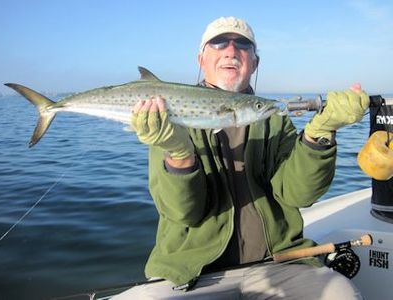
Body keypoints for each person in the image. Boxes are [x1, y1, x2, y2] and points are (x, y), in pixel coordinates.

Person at [113, 16, 369, 299]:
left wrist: (319, 134)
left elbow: (298, 195)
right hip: (191, 270)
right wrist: (179, 153)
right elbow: (182, 213)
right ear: (201, 58)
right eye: (219, 42)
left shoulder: (274, 120)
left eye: (243, 45)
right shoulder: (168, 121)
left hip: (278, 263)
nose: (231, 51)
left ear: (255, 63)